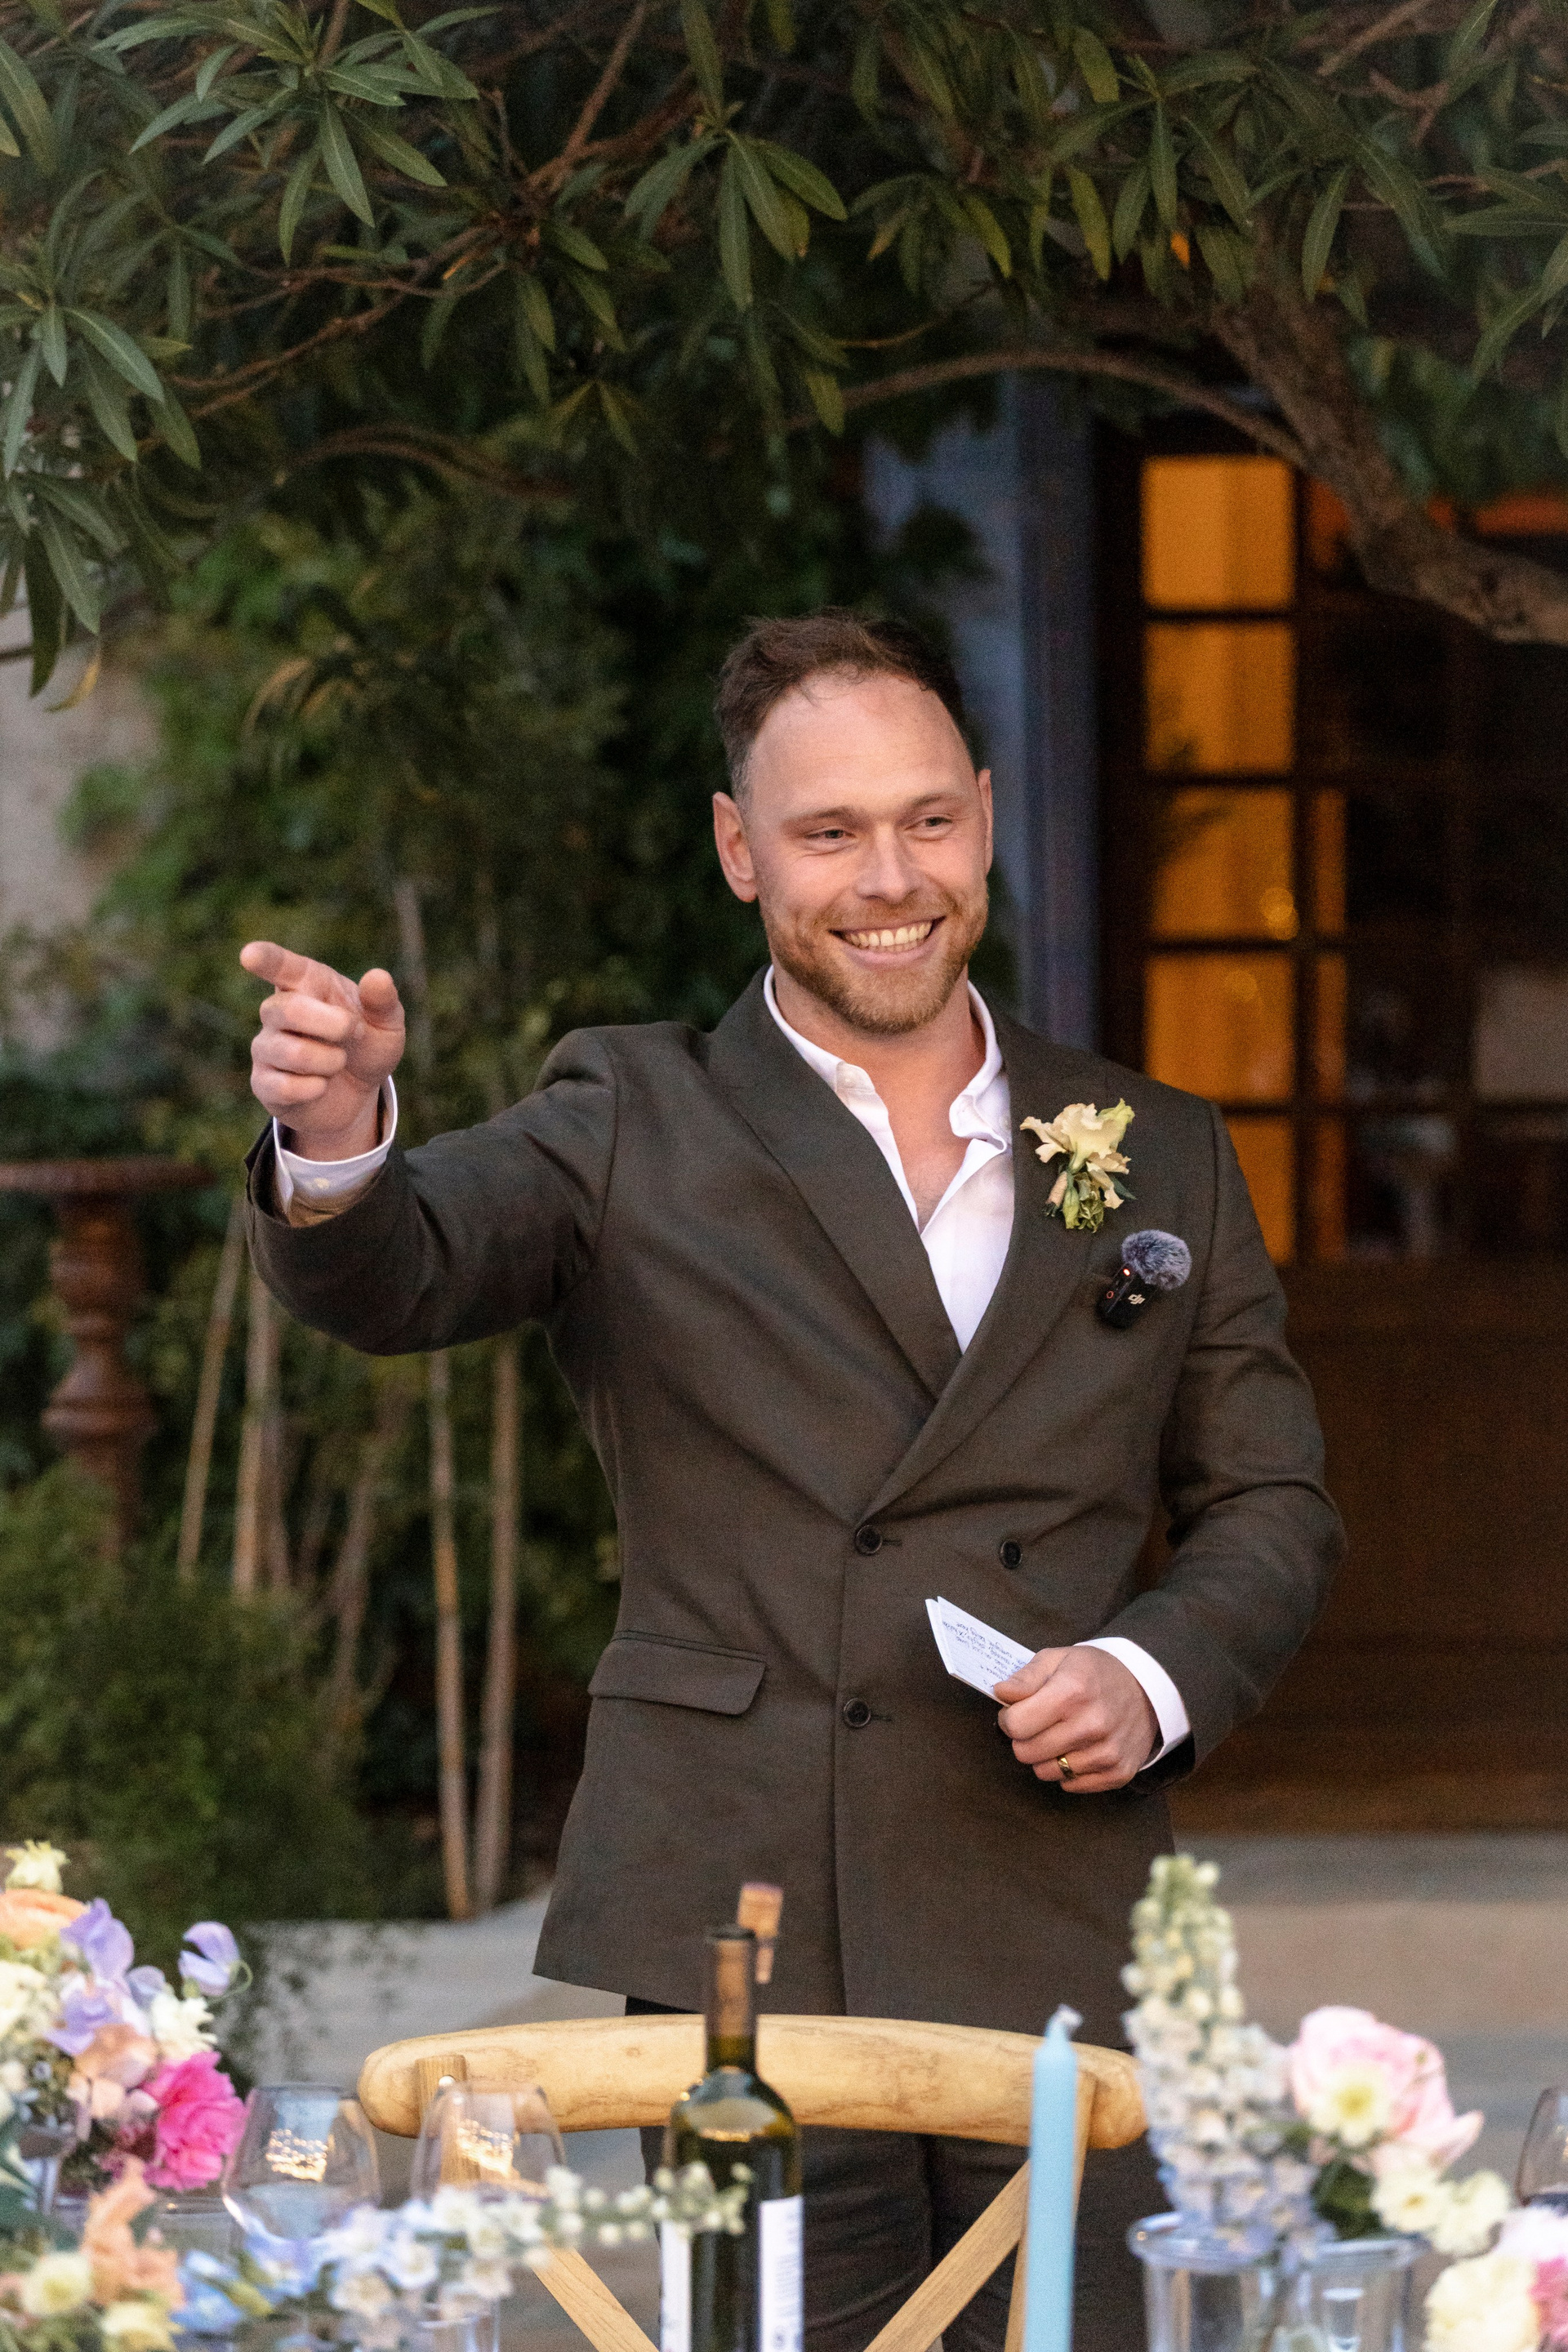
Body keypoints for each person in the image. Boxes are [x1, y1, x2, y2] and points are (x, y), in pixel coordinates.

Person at [240, 611, 1343, 2348]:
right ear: (740, 850)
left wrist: (1151, 1673)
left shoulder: (1162, 1150)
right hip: (743, 1919)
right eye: (830, 832)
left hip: (1055, 1904)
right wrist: (335, 1141)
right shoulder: (632, 1111)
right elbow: (405, 1268)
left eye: (927, 820)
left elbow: (1271, 1503)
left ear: (985, 816)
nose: (890, 879)